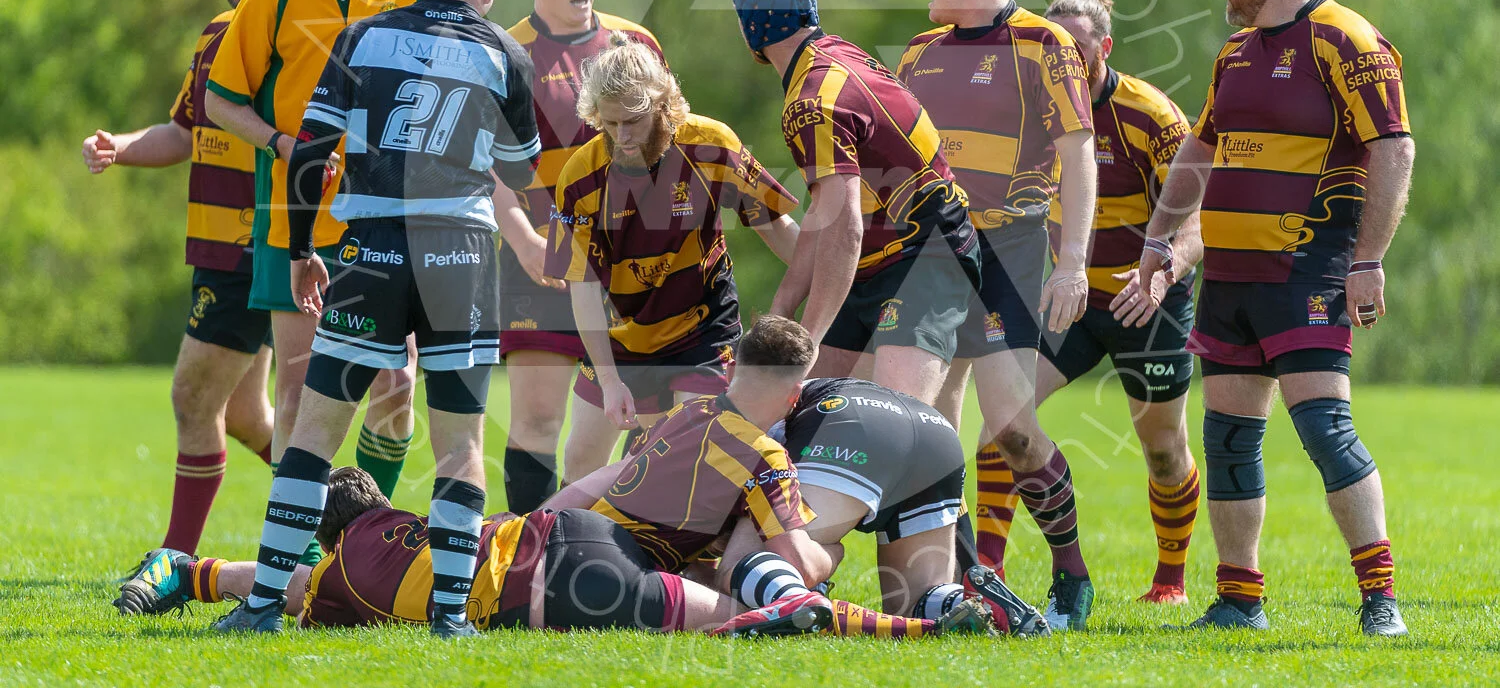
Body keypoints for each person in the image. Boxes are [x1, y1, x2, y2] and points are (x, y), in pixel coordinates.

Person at [209, 0, 541, 638]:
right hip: (461, 257)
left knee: (315, 434)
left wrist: (300, 250)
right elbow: (522, 172)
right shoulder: (507, 53)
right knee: (460, 446)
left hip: (373, 252)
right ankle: (450, 617)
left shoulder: (364, 38)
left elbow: (308, 152)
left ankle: (263, 604)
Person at [1137, 0, 1413, 636]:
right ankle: (1239, 599)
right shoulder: (1232, 55)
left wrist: (1368, 260)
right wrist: (1160, 236)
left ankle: (1380, 599)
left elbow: (1394, 151)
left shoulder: (1348, 41)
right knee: (1229, 438)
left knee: (1325, 429)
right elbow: (1198, 153)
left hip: (1307, 272)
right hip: (1229, 281)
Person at [118, 467, 985, 638]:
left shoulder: (336, 577)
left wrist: (185, 575)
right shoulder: (415, 522)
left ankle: (912, 632)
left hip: (564, 590)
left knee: (739, 618)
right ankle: (930, 609)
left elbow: (259, 581)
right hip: (569, 531)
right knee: (733, 571)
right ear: (382, 506)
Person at [895, 0, 1098, 631]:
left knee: (1010, 427)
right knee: (924, 422)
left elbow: (1078, 153)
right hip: (932, 248)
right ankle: (948, 585)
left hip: (1011, 250)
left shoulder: (1044, 44)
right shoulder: (919, 52)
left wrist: (1072, 261)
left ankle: (1071, 574)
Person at [547, 316, 997, 639]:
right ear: (794, 393)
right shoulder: (765, 453)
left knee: (744, 569)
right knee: (919, 594)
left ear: (728, 370)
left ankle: (813, 608)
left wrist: (536, 518)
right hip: (937, 434)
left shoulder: (683, 413)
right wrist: (831, 552)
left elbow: (602, 478)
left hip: (589, 540)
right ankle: (961, 607)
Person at [82, 0, 297, 557]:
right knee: (244, 415)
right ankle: (337, 525)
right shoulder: (216, 35)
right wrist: (119, 145)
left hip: (261, 245)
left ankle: (175, 559)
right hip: (217, 244)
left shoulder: (301, 41)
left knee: (191, 396)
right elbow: (183, 130)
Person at [205, 0, 423, 494]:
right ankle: (296, 559)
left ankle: (365, 539)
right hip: (293, 219)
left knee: (395, 385)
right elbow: (220, 99)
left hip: (391, 220)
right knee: (299, 391)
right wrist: (282, 143)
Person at [999, 0, 1203, 606]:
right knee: (1006, 421)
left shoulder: (1151, 114)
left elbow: (1200, 218)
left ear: (1104, 48)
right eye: (1052, 48)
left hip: (1148, 300)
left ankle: (1170, 579)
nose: (1064, 61)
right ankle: (987, 572)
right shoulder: (1025, 113)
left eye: (1078, 49)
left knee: (1164, 451)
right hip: (1069, 298)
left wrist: (1163, 272)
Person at [728, 0, 981, 409]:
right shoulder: (836, 52)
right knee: (804, 418)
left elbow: (845, 230)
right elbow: (827, 218)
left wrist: (807, 343)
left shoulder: (809, 102)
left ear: (750, 33)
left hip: (923, 254)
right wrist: (783, 312)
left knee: (894, 424)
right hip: (883, 259)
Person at [542, 36, 801, 481]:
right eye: (610, 124)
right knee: (581, 459)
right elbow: (582, 288)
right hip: (621, 337)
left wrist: (839, 282)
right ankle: (575, 548)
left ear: (663, 104)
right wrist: (608, 382)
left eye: (634, 122)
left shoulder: (712, 146)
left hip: (700, 330)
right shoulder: (579, 177)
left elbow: (775, 227)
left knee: (692, 458)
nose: (622, 137)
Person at [495, 0, 665, 512]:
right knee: (538, 416)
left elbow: (670, 142)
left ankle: (616, 545)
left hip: (629, 261)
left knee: (634, 415)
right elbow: (485, 167)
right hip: (540, 256)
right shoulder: (507, 52)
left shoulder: (634, 43)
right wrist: (520, 241)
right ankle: (524, 558)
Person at [762, 375, 1050, 637]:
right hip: (936, 432)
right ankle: (971, 603)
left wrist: (830, 553)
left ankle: (810, 602)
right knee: (915, 603)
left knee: (765, 559)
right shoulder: (781, 381)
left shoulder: (736, 409)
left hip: (856, 428)